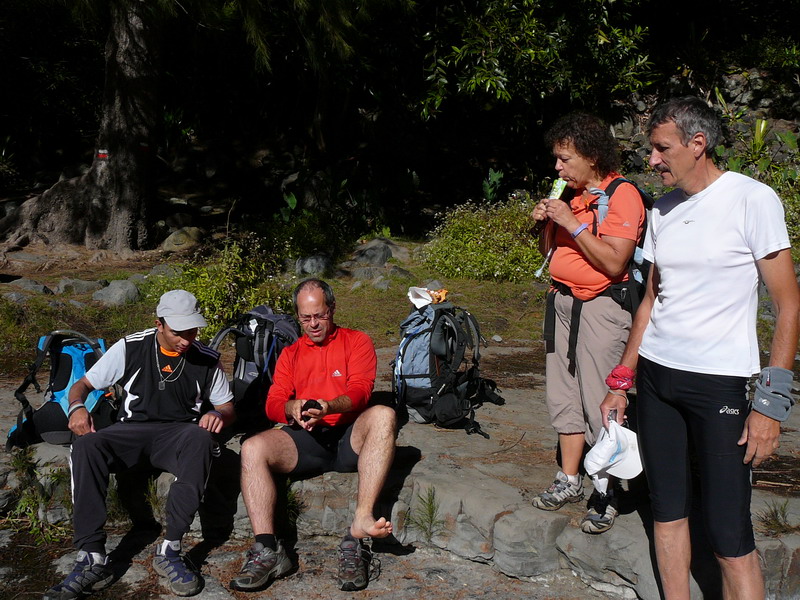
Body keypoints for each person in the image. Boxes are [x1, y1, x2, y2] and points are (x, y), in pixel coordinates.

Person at [600, 96, 799, 599]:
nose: (652, 160)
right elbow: (651, 300)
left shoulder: (752, 199)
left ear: (697, 143)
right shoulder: (662, 209)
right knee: (667, 515)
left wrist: (771, 405)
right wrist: (621, 381)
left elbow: (788, 304)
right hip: (656, 380)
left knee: (730, 536)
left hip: (719, 386)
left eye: (661, 148)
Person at [44, 290, 234, 600]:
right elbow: (83, 385)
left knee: (200, 438)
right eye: (178, 332)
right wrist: (76, 407)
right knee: (87, 446)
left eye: (191, 331)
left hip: (179, 433)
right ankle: (91, 555)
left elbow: (226, 406)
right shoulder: (131, 346)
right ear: (159, 324)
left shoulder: (207, 358)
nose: (186, 339)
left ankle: (171, 549)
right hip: (131, 431)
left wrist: (217, 414)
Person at [231, 278, 396, 593]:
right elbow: (273, 404)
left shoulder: (356, 341)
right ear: (297, 316)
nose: (314, 324)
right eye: (305, 318)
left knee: (384, 415)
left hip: (350, 435)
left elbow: (361, 392)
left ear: (332, 308)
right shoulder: (291, 353)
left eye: (319, 315)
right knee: (252, 447)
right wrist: (291, 408)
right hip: (308, 438)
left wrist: (329, 406)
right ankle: (267, 549)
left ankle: (360, 523)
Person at [530, 112, 646, 533]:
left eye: (565, 159)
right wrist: (545, 224)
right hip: (561, 302)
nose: (557, 167)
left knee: (601, 398)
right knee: (563, 394)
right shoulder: (571, 194)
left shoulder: (622, 195)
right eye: (557, 159)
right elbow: (552, 254)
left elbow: (614, 262)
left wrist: (571, 222)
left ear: (591, 156)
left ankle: (607, 489)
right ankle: (569, 477)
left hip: (601, 307)